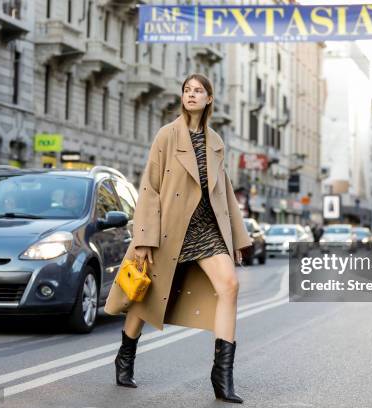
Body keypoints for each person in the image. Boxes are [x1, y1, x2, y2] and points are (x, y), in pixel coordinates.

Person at [108, 73, 252, 403]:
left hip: (205, 229)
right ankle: (125, 355)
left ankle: (222, 377)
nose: (191, 95)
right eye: (187, 90)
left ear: (209, 99)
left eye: (198, 91)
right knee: (145, 299)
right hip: (169, 229)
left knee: (230, 286)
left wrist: (239, 238)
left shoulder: (215, 141)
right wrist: (144, 238)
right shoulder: (167, 135)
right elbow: (150, 187)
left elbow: (224, 190)